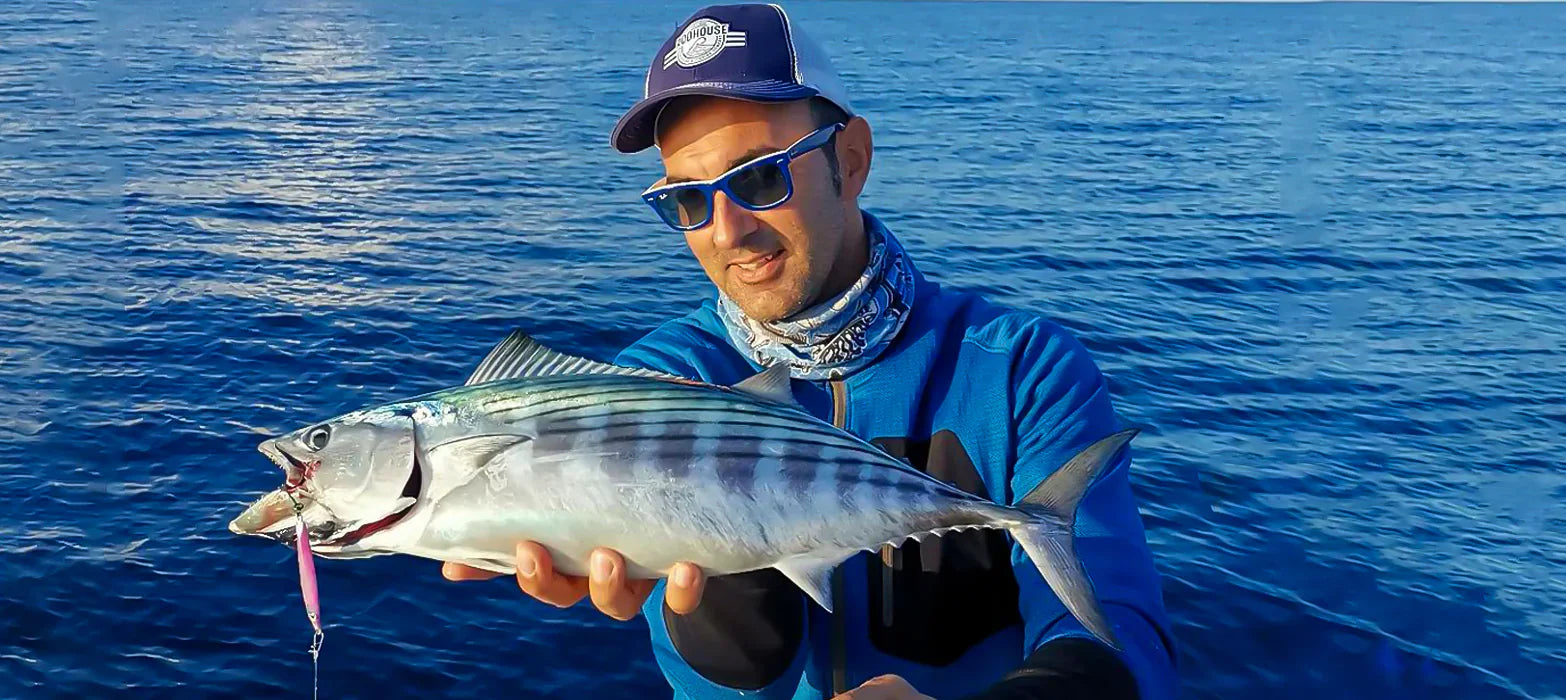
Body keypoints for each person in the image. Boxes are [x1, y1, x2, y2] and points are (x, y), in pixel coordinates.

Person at [443, 4, 1177, 699]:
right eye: (686, 201)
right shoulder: (658, 385)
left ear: (850, 160)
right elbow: (730, 682)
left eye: (761, 177)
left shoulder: (1020, 371)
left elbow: (1121, 642)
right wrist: (720, 567)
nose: (727, 232)